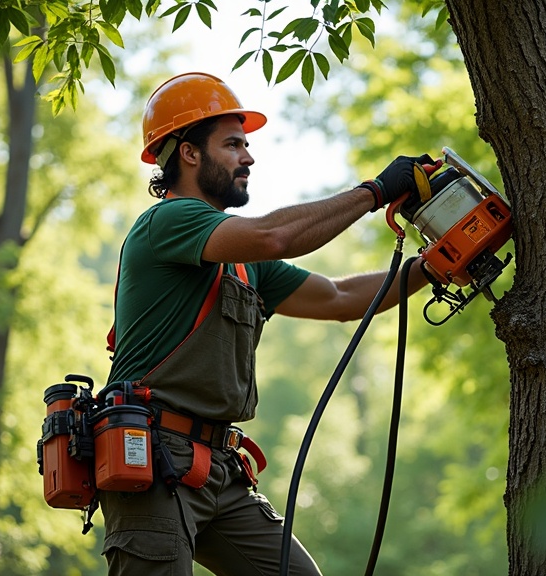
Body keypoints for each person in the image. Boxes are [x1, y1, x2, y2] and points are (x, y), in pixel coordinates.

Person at [100, 71, 434, 576]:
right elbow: (275, 237)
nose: (248, 158)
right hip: (154, 457)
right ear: (189, 153)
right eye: (233, 144)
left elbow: (342, 297)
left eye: (247, 145)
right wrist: (375, 191)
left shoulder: (245, 263)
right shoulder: (166, 221)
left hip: (217, 465)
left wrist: (433, 266)